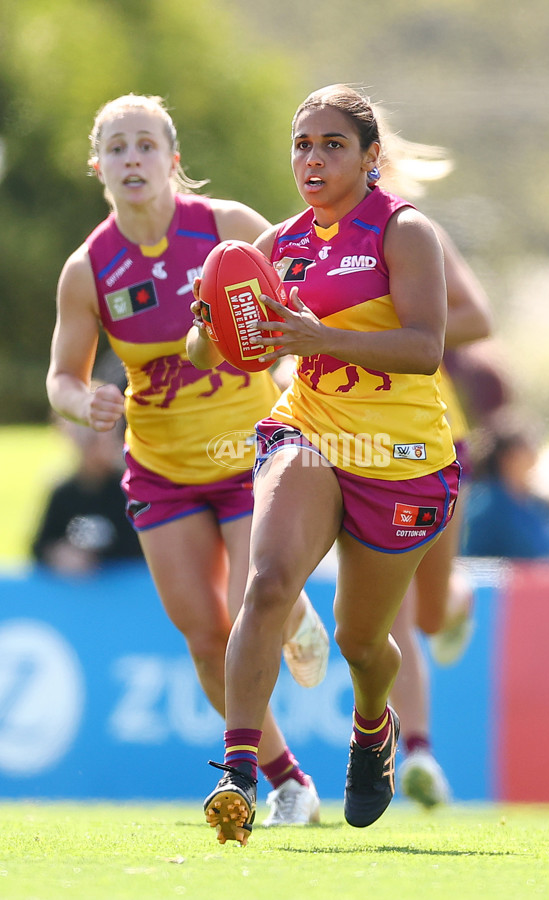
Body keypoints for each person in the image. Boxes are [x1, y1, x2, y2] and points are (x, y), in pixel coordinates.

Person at [45, 93, 330, 826]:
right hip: (162, 471)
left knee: (247, 605)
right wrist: (87, 404)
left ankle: (286, 601)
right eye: (116, 148)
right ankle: (288, 780)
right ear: (98, 167)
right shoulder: (89, 268)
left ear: (172, 160)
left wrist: (299, 360)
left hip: (249, 455)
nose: (131, 158)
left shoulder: (229, 231)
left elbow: (303, 291)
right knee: (205, 638)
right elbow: (62, 379)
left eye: (145, 145)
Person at [202, 83, 461, 845]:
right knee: (270, 577)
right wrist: (208, 324)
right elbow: (237, 347)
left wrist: (320, 339)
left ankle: (373, 723)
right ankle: (240, 776)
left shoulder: (405, 232)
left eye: (332, 145)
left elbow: (426, 349)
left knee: (359, 642)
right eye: (302, 145)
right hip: (309, 431)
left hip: (404, 460)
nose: (312, 159)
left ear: (371, 157)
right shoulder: (277, 245)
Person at [373, 126, 495, 808]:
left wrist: (405, 323)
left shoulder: (414, 234)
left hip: (431, 436)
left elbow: (479, 317)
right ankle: (416, 753)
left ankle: (456, 602)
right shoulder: (307, 242)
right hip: (354, 443)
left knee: (424, 611)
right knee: (386, 609)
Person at [31, 403, 144, 575]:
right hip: (79, 592)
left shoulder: (130, 490)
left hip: (126, 588)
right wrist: (58, 554)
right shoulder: (63, 493)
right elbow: (39, 546)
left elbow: (144, 546)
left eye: (110, 436)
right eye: (91, 439)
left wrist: (97, 559)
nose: (103, 445)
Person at [461, 405, 549, 559]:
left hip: (542, 580)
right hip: (501, 581)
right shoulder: (483, 503)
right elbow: (472, 558)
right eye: (525, 448)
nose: (533, 454)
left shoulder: (537, 502)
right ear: (505, 457)